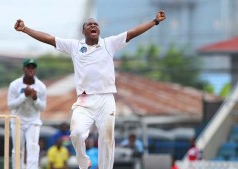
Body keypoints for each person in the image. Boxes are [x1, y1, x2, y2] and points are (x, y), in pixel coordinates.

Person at [14, 11, 166, 169]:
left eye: (96, 24)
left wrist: (155, 21)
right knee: (77, 133)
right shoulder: (75, 46)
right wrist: (25, 29)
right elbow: (49, 39)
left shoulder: (109, 43)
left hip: (106, 98)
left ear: (99, 30)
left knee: (107, 138)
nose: (93, 25)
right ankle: (83, 161)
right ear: (83, 31)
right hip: (84, 100)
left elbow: (133, 33)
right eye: (89, 24)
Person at [7, 58, 47, 169]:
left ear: (35, 70)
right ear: (23, 69)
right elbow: (10, 105)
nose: (30, 70)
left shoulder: (41, 86)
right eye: (28, 67)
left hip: (33, 121)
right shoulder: (15, 85)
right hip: (17, 120)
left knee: (33, 147)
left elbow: (42, 107)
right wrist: (24, 95)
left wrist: (35, 98)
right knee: (17, 149)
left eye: (33, 68)